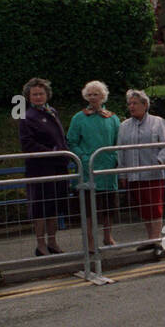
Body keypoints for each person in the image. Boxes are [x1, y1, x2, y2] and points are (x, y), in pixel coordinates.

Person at [117, 89, 165, 257]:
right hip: (133, 174)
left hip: (152, 174)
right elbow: (120, 151)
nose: (131, 107)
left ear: (145, 105)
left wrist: (159, 161)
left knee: (154, 208)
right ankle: (151, 238)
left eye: (135, 103)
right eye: (129, 104)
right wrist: (122, 174)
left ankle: (157, 240)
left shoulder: (158, 122)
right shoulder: (124, 126)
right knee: (142, 208)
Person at [18, 77, 71, 256]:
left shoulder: (52, 111)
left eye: (41, 94)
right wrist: (51, 151)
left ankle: (53, 242)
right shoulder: (26, 116)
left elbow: (60, 137)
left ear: (47, 95)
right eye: (34, 94)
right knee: (40, 208)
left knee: (54, 206)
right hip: (40, 167)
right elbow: (27, 143)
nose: (38, 97)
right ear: (28, 96)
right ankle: (40, 245)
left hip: (58, 166)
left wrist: (63, 150)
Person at [67, 80, 121, 252]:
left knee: (108, 205)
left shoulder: (113, 118)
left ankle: (108, 236)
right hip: (88, 169)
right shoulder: (78, 118)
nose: (92, 97)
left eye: (96, 94)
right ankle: (90, 241)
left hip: (108, 170)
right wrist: (83, 157)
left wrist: (116, 158)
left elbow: (118, 141)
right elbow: (72, 141)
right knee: (89, 209)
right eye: (89, 94)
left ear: (103, 96)